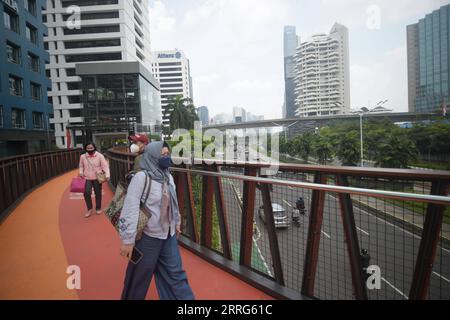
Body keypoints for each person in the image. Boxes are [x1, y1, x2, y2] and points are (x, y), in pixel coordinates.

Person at [118, 141, 195, 300]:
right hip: (148, 237)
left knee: (176, 275)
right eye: (162, 155)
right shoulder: (141, 178)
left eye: (168, 154)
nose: (166, 158)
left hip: (168, 235)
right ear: (152, 156)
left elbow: (174, 203)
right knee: (139, 277)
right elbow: (130, 208)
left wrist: (177, 222)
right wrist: (127, 240)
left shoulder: (168, 176)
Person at [79, 142, 110, 218]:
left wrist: (107, 175)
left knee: (98, 193)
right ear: (85, 148)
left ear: (94, 148)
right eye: (88, 148)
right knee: (86, 193)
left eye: (91, 148)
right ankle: (89, 209)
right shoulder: (83, 156)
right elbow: (81, 166)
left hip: (97, 177)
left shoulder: (100, 156)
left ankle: (98, 208)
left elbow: (105, 166)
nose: (90, 149)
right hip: (86, 177)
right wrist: (81, 172)